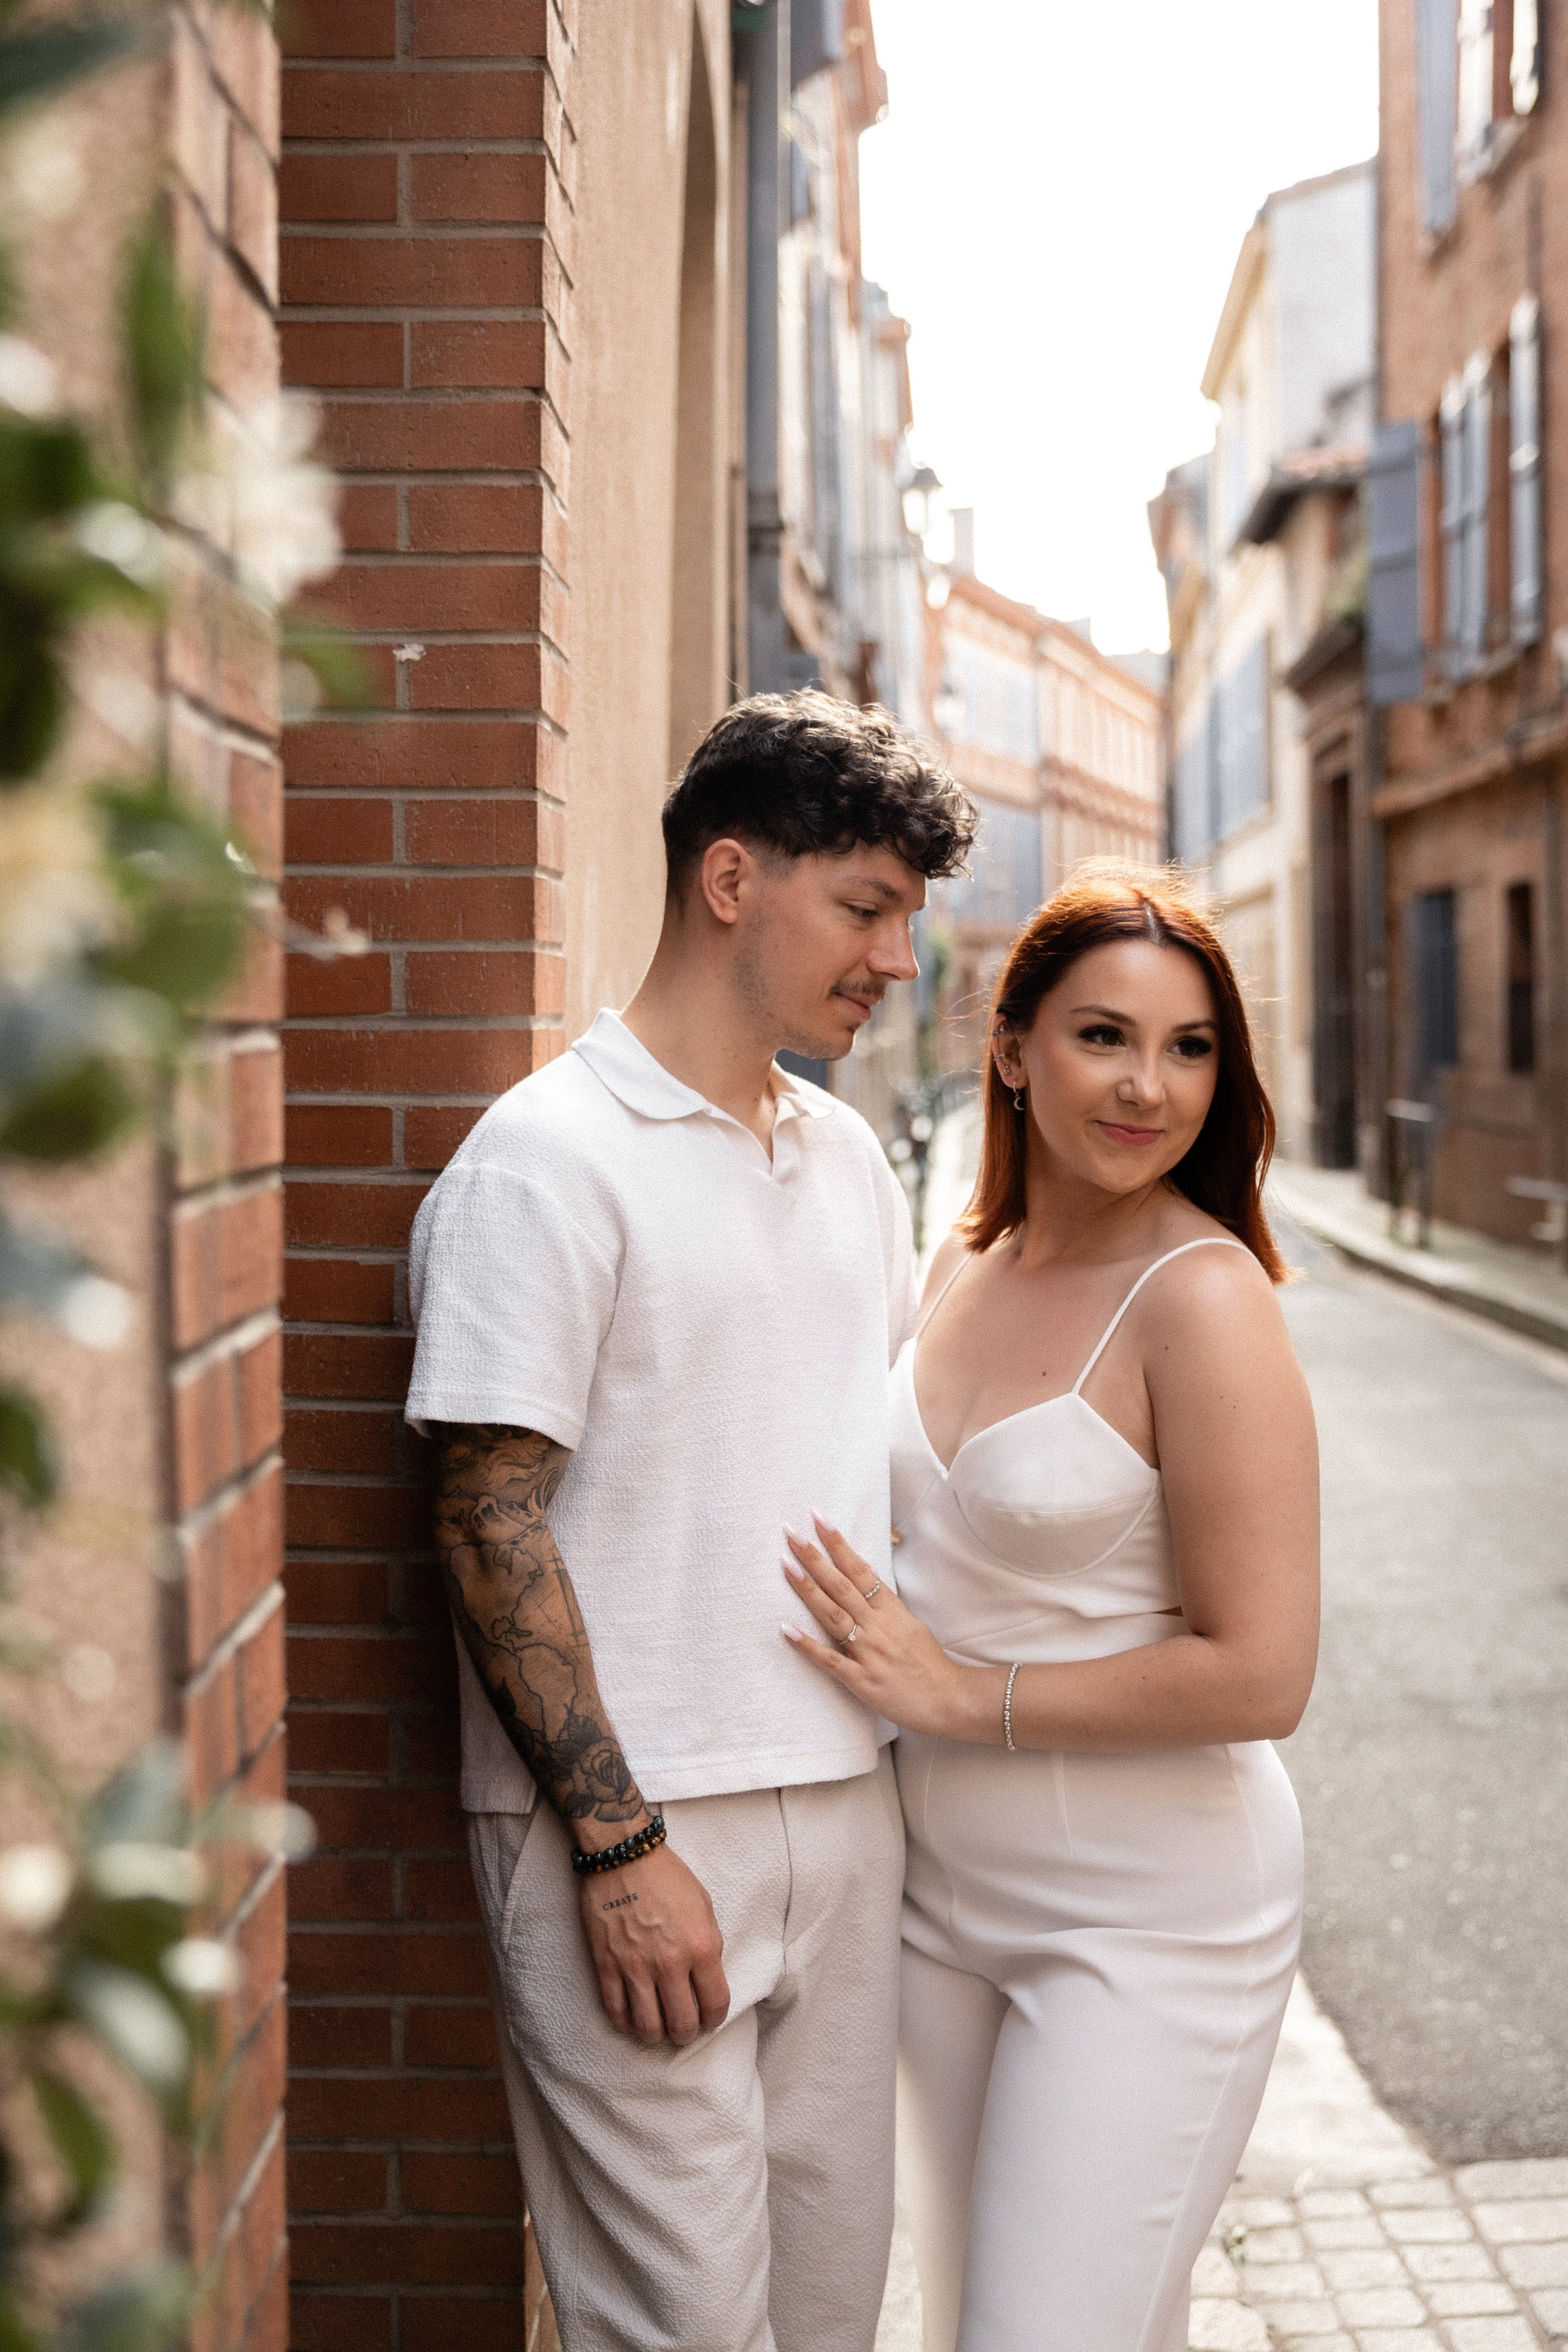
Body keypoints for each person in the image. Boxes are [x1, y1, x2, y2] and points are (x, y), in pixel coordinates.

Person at [404, 690, 975, 2352]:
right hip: (638, 1835)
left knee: (825, 2317)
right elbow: (487, 1510)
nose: (897, 963)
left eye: (908, 922)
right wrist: (614, 1842)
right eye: (864, 909)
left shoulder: (853, 1163)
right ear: (731, 880)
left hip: (843, 1815)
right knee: (680, 2333)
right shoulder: (547, 1164)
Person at [783, 866, 1319, 2352]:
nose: (1149, 1085)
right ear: (1009, 1048)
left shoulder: (1203, 1300)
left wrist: (958, 1695)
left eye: (1190, 1045)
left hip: (1151, 1919)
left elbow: (1262, 1673)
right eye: (1104, 1036)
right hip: (938, 1907)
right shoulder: (958, 1259)